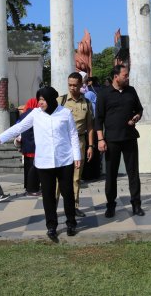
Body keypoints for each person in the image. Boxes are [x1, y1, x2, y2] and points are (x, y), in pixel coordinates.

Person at [0, 87, 80, 241]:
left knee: (68, 193)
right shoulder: (35, 114)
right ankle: (51, 226)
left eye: (43, 100)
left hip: (65, 160)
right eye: (39, 99)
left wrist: (77, 156)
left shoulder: (65, 113)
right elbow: (18, 127)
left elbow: (73, 135)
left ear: (51, 100)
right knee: (48, 196)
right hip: (44, 162)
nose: (40, 103)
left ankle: (71, 223)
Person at [95, 64, 145, 218]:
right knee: (111, 175)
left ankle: (136, 204)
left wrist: (137, 116)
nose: (127, 77)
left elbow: (139, 109)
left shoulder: (131, 91)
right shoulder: (104, 94)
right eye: (125, 75)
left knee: (133, 174)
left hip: (129, 138)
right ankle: (110, 205)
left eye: (127, 75)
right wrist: (100, 139)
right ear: (116, 77)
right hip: (111, 141)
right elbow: (99, 118)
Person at [56, 72, 95, 217]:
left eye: (75, 85)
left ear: (81, 85)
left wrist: (91, 146)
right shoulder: (61, 101)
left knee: (76, 177)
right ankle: (53, 205)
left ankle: (74, 206)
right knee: (58, 177)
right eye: (70, 85)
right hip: (62, 143)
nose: (72, 88)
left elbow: (90, 126)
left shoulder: (87, 103)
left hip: (79, 142)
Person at [15, 98, 41, 196]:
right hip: (34, 146)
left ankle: (28, 186)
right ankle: (33, 188)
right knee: (34, 169)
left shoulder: (23, 115)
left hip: (26, 146)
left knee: (28, 167)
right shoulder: (37, 115)